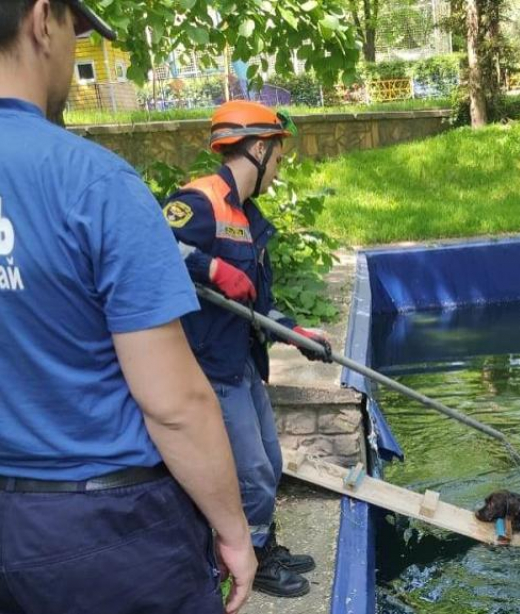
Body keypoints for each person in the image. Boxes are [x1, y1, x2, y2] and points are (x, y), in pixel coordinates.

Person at [0, 2, 256, 614]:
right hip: (106, 532)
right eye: (75, 30)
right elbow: (172, 405)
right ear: (42, 21)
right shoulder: (93, 184)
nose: (72, 50)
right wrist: (235, 532)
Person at [162, 99, 333, 599]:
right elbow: (151, 245)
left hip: (241, 364)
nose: (277, 173)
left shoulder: (250, 219)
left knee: (270, 462)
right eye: (277, 159)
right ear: (258, 149)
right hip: (209, 367)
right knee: (253, 473)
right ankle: (248, 562)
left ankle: (262, 545)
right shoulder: (198, 202)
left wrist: (297, 334)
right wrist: (210, 268)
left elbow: (260, 305)